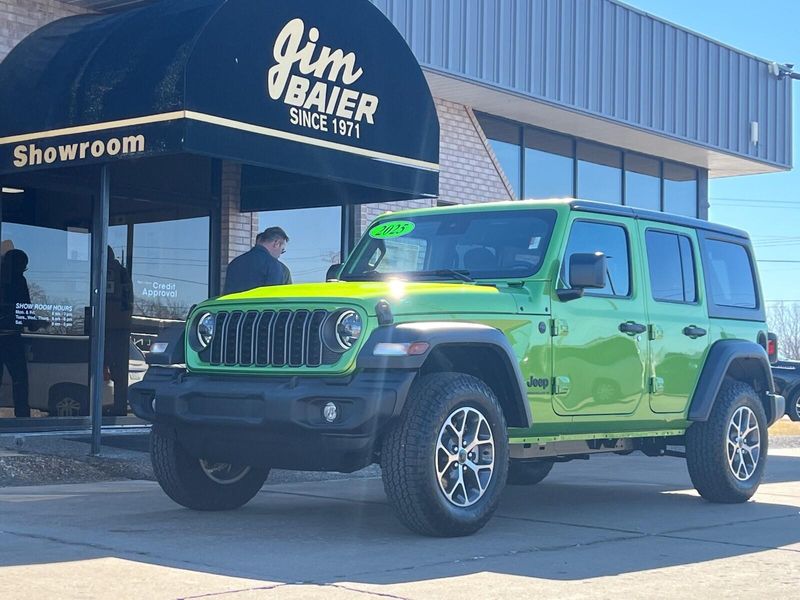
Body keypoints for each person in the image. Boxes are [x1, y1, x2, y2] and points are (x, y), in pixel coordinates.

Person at [0, 249, 33, 417]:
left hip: (9, 335)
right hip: (12, 337)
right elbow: (25, 311)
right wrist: (35, 323)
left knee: (20, 380)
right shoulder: (18, 281)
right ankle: (22, 418)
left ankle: (22, 417)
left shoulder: (15, 280)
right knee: (20, 381)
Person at [105, 247, 133, 416]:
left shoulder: (119, 273)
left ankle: (118, 407)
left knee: (116, 371)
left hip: (114, 328)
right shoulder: (122, 272)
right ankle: (118, 406)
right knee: (117, 371)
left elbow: (126, 301)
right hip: (118, 327)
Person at [223, 227, 291, 294]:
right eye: (282, 250)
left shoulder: (235, 263)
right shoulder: (273, 265)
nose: (279, 255)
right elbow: (274, 299)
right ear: (276, 243)